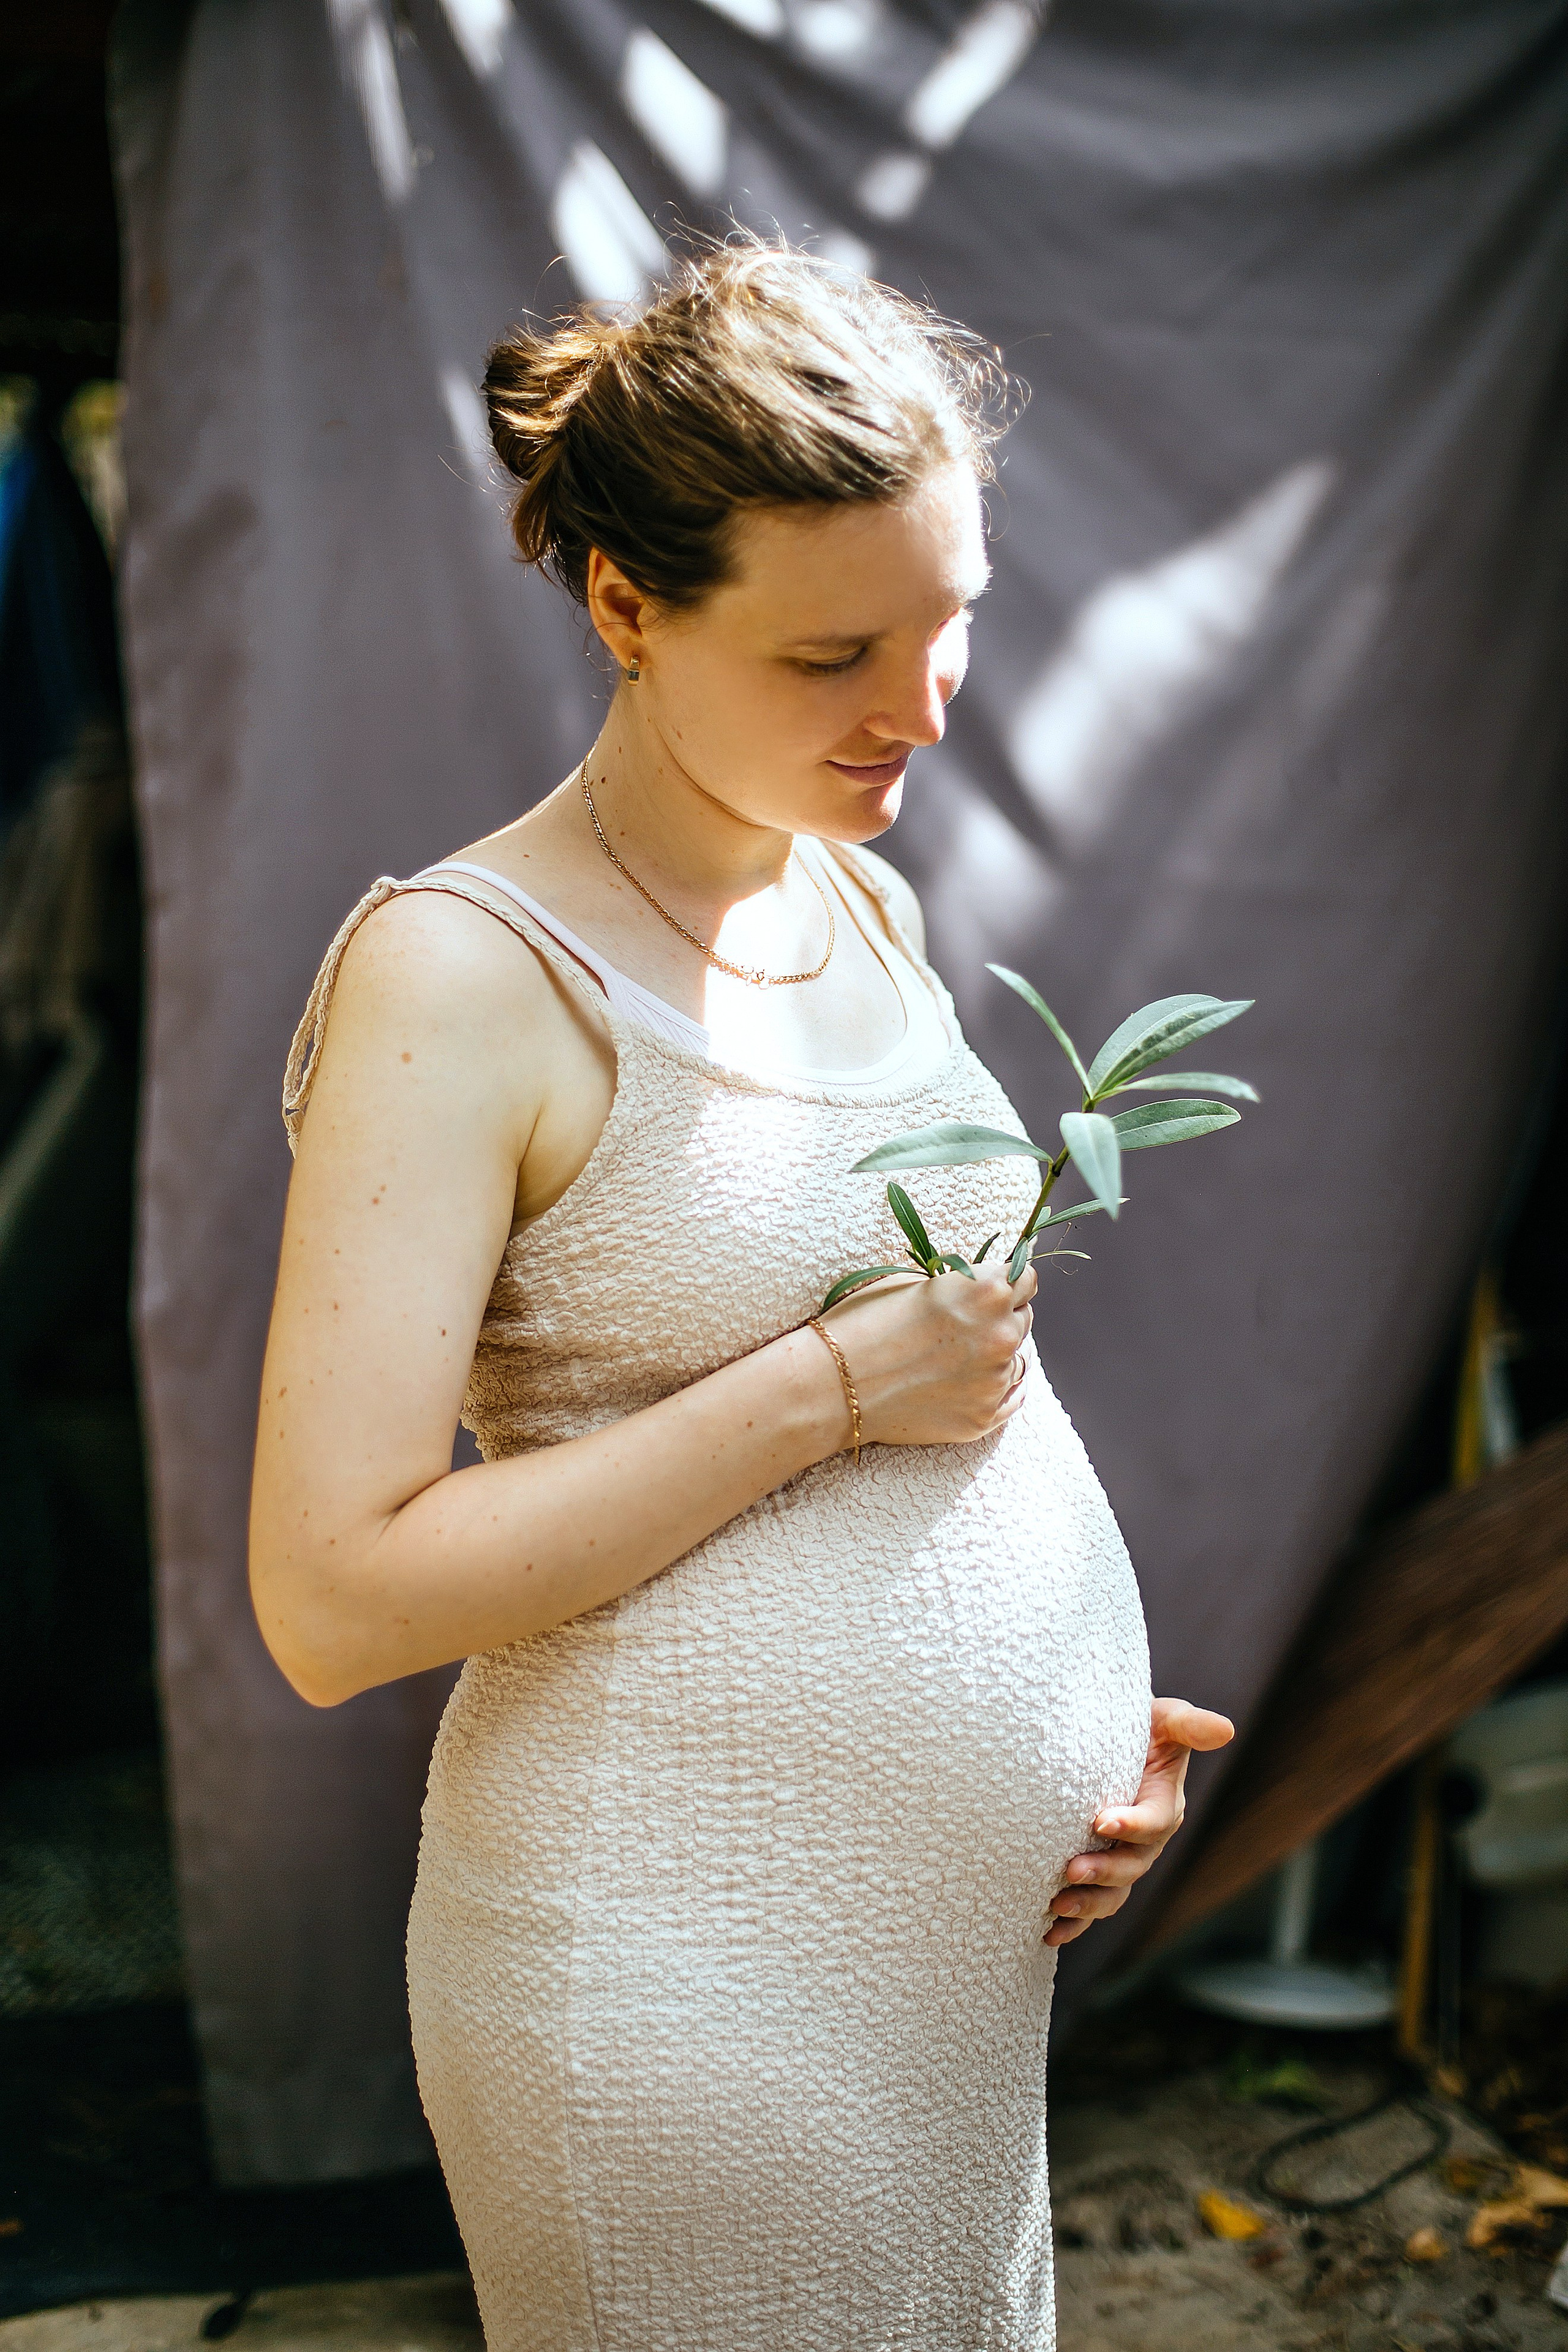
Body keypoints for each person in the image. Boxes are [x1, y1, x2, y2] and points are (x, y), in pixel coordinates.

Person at [251, 242, 1232, 2352]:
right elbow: (334, 1598)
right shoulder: (461, 976)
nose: (922, 704)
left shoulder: (852, 893)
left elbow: (942, 1418)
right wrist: (824, 1391)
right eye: (834, 652)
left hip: (945, 1991)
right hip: (675, 1995)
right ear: (627, 605)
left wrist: (1062, 1736)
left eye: (956, 617)